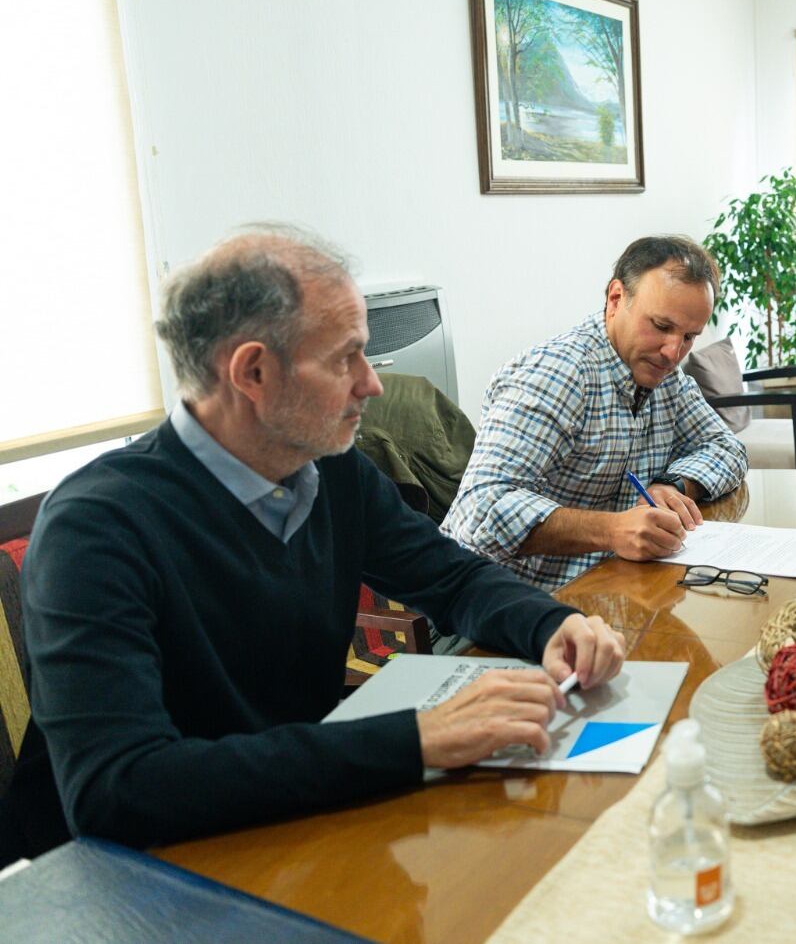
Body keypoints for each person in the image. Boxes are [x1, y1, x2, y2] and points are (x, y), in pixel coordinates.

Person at [6, 227, 626, 856]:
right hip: (124, 876)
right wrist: (416, 740)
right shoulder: (95, 527)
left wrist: (552, 624)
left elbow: (452, 576)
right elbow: (119, 789)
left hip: (285, 819)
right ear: (252, 371)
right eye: (345, 358)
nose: (372, 383)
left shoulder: (328, 468)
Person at [443, 236, 747, 592]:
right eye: (662, 327)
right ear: (616, 299)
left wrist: (674, 483)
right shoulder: (559, 374)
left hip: (611, 591)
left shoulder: (667, 377)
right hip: (511, 604)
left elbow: (726, 448)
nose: (672, 352)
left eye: (689, 337)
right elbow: (479, 511)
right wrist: (614, 529)